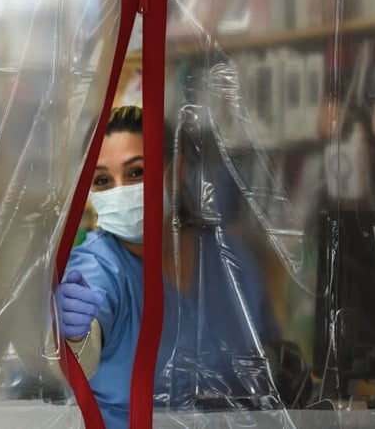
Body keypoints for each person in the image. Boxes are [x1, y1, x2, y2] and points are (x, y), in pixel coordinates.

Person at [56, 105, 280, 428]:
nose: (120, 191)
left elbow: (272, 364)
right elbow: (84, 350)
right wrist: (76, 337)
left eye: (136, 172)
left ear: (174, 172)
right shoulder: (99, 266)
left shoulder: (231, 262)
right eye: (102, 180)